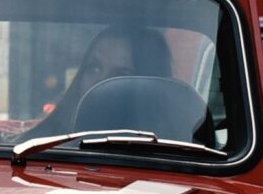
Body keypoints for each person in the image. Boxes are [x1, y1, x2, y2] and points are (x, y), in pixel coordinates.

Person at [27, 25, 173, 137]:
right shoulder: (36, 149)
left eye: (120, 75)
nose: (100, 82)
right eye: (94, 68)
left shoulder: (173, 161)